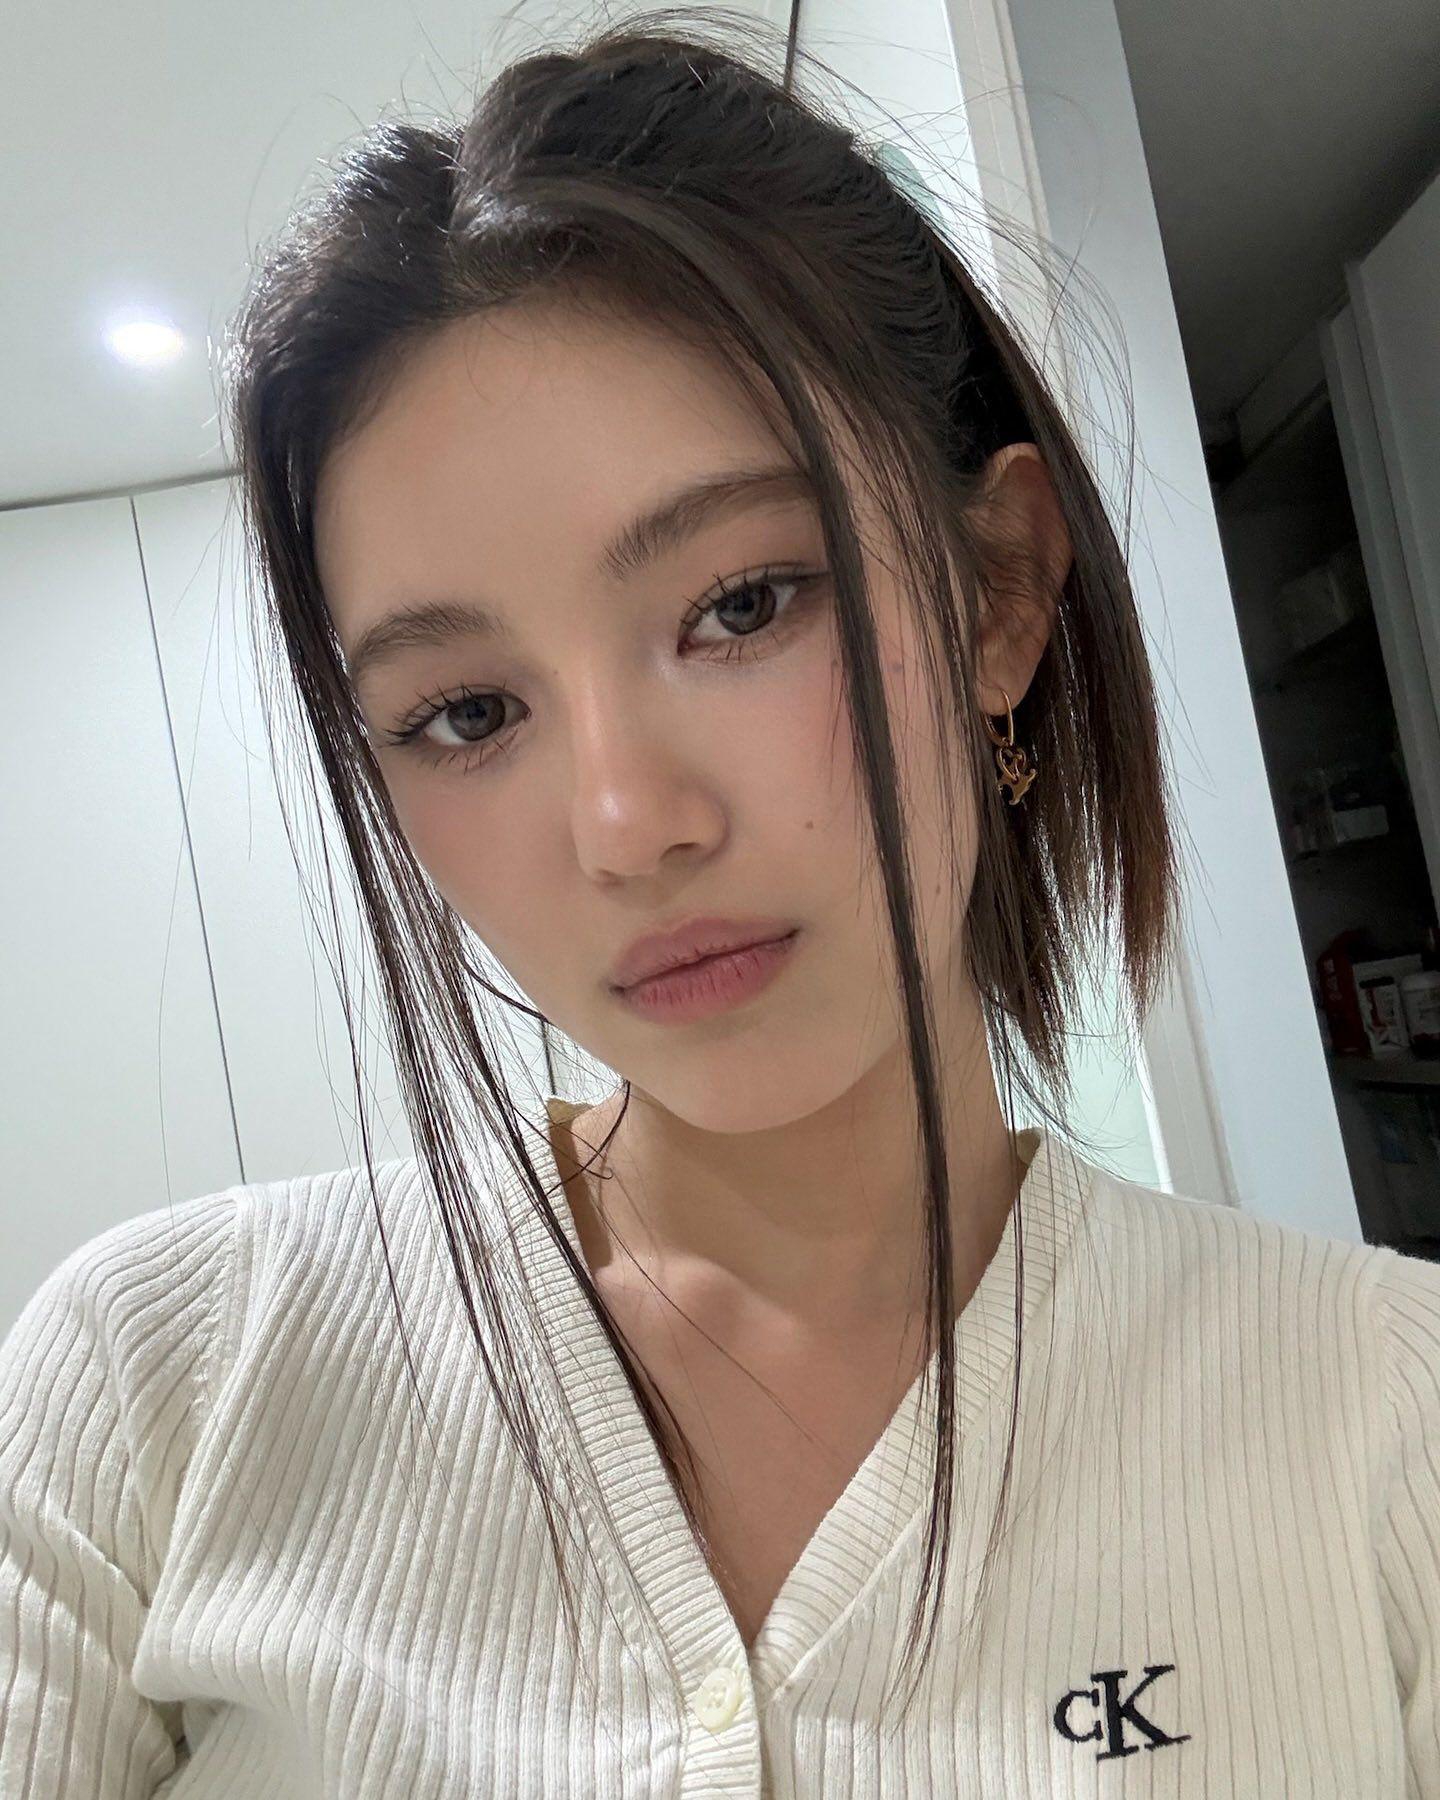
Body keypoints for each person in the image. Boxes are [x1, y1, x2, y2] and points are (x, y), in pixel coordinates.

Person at [3, 9, 1438, 1796]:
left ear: (999, 590)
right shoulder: (158, 1385)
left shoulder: (1383, 1418)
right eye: (468, 714)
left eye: (744, 605)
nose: (626, 826)